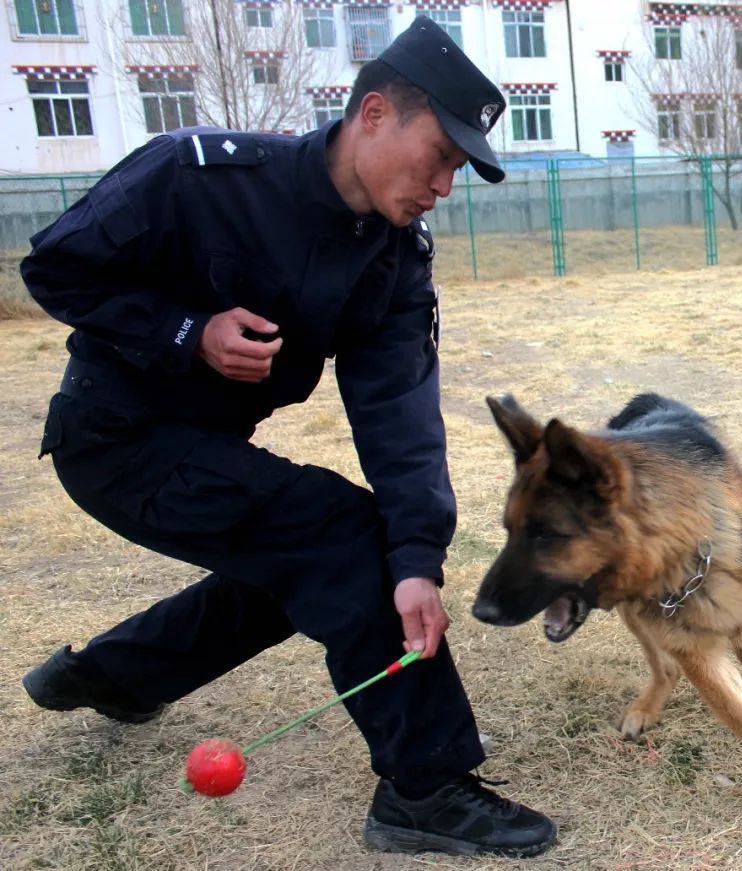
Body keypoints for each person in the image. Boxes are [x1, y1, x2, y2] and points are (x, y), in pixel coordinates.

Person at [19, 16, 556, 859]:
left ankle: (109, 677)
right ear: (374, 113)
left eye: (460, 167)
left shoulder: (392, 262)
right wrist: (185, 330)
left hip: (208, 448)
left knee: (323, 565)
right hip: (113, 441)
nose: (445, 185)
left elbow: (400, 415)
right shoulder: (196, 175)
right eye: (442, 156)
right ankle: (424, 787)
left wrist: (417, 558)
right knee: (337, 535)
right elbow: (54, 264)